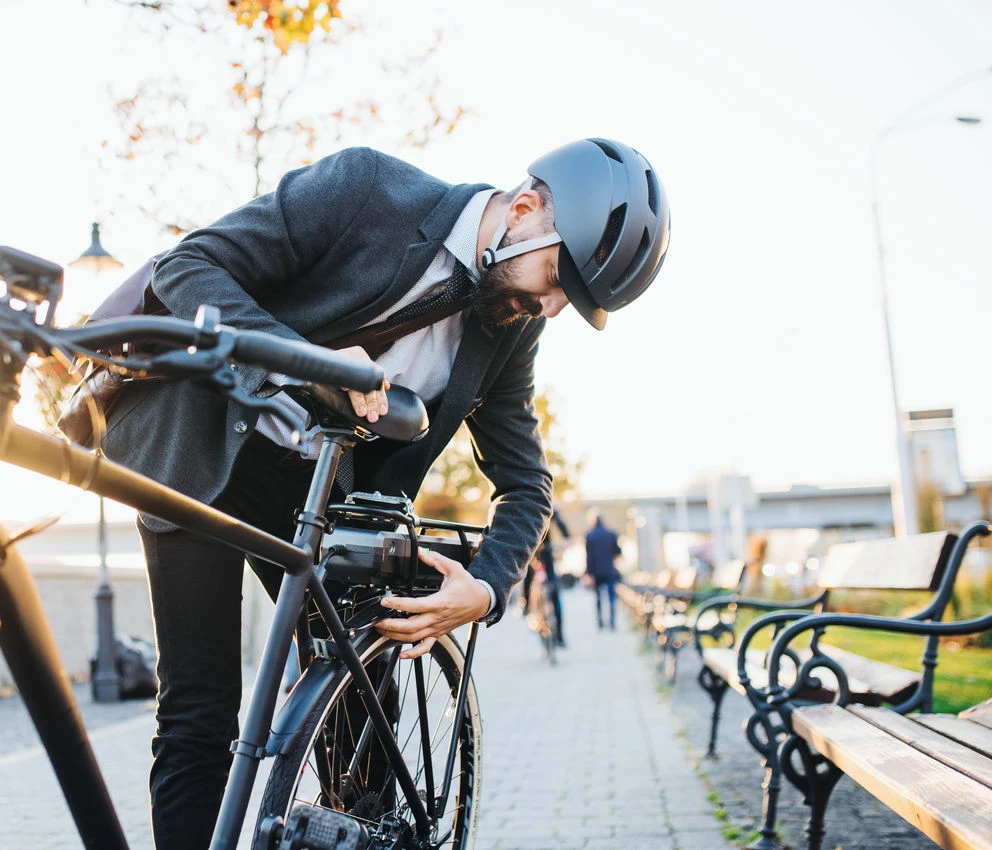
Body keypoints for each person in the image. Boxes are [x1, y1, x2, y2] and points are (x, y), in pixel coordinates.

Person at [98, 140, 670, 848]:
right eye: (559, 280)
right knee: (198, 711)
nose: (550, 309)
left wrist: (486, 590)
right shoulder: (366, 189)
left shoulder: (511, 329)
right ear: (525, 209)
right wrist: (303, 361)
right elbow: (188, 267)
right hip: (203, 445)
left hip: (329, 499)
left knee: (364, 720)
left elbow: (527, 483)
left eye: (570, 303)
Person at [526, 510, 570, 645]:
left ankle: (560, 634)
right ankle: (526, 604)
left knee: (554, 590)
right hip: (530, 552)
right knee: (526, 577)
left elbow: (561, 526)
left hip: (546, 553)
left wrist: (565, 540)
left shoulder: (550, 508)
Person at [584, 511, 623, 630]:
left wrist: (589, 573)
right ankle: (611, 622)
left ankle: (600, 622)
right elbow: (618, 551)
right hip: (609, 570)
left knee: (598, 598)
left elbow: (589, 557)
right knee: (611, 597)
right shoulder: (611, 534)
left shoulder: (589, 535)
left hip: (596, 572)